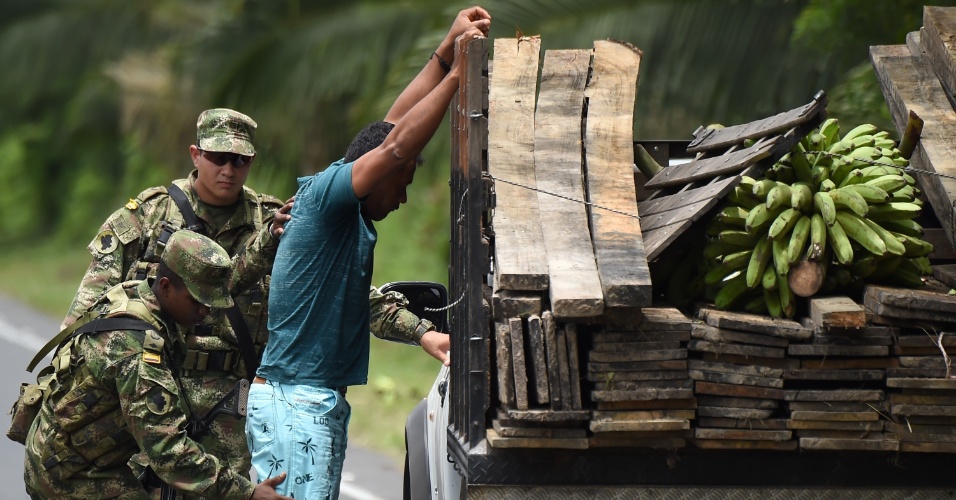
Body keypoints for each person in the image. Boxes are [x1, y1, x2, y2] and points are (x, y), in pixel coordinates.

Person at [59, 107, 443, 493]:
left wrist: (421, 332)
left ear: (251, 161)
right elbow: (89, 319)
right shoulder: (147, 217)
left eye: (239, 160)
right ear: (196, 155)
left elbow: (349, 293)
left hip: (232, 407)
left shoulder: (279, 218)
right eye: (218, 158)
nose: (228, 169)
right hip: (154, 396)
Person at [245, 6, 491, 498]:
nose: (401, 197)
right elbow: (397, 145)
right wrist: (461, 78)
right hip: (296, 402)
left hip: (313, 400)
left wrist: (446, 52)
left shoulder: (345, 199)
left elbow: (392, 124)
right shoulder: (327, 197)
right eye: (401, 185)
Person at [24, 230, 292, 499]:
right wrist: (247, 494)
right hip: (69, 473)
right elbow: (166, 450)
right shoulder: (136, 349)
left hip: (63, 452)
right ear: (165, 286)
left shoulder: (134, 294)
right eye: (197, 300)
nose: (206, 311)